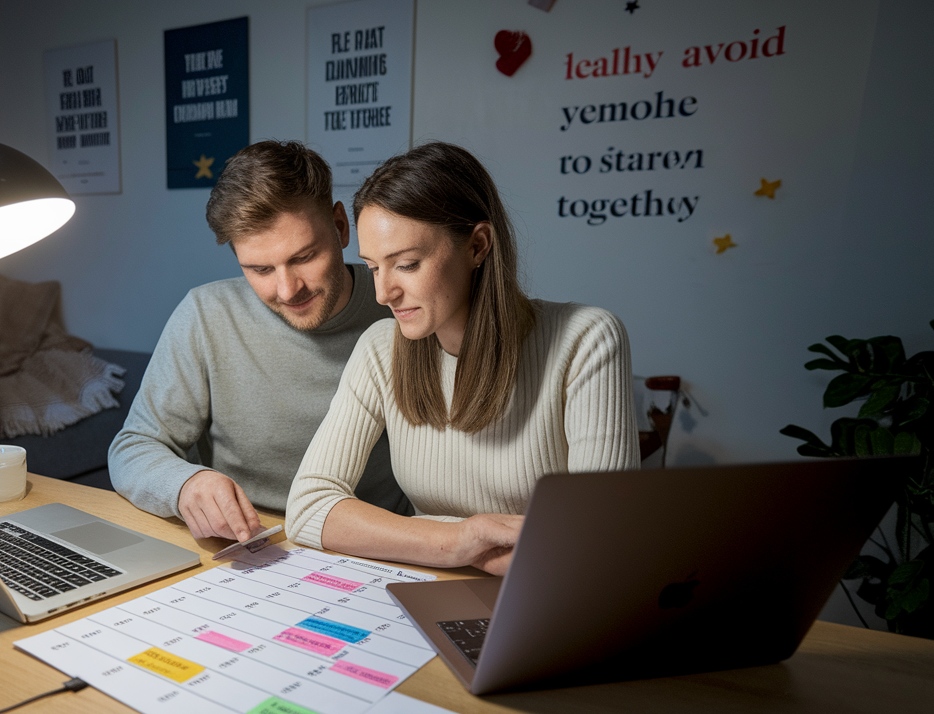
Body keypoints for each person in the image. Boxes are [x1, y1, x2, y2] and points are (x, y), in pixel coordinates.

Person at [286, 142, 638, 574]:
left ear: (478, 246)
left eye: (407, 264)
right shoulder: (380, 347)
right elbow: (307, 509)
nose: (383, 294)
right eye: (375, 267)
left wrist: (452, 544)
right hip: (427, 583)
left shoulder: (587, 340)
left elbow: (599, 542)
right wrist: (458, 542)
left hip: (543, 598)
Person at [109, 141, 410, 541]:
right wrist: (184, 485)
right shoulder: (206, 314)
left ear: (340, 227)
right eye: (260, 268)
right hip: (247, 547)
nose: (288, 290)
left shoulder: (402, 312)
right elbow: (133, 447)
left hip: (371, 545)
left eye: (304, 257)